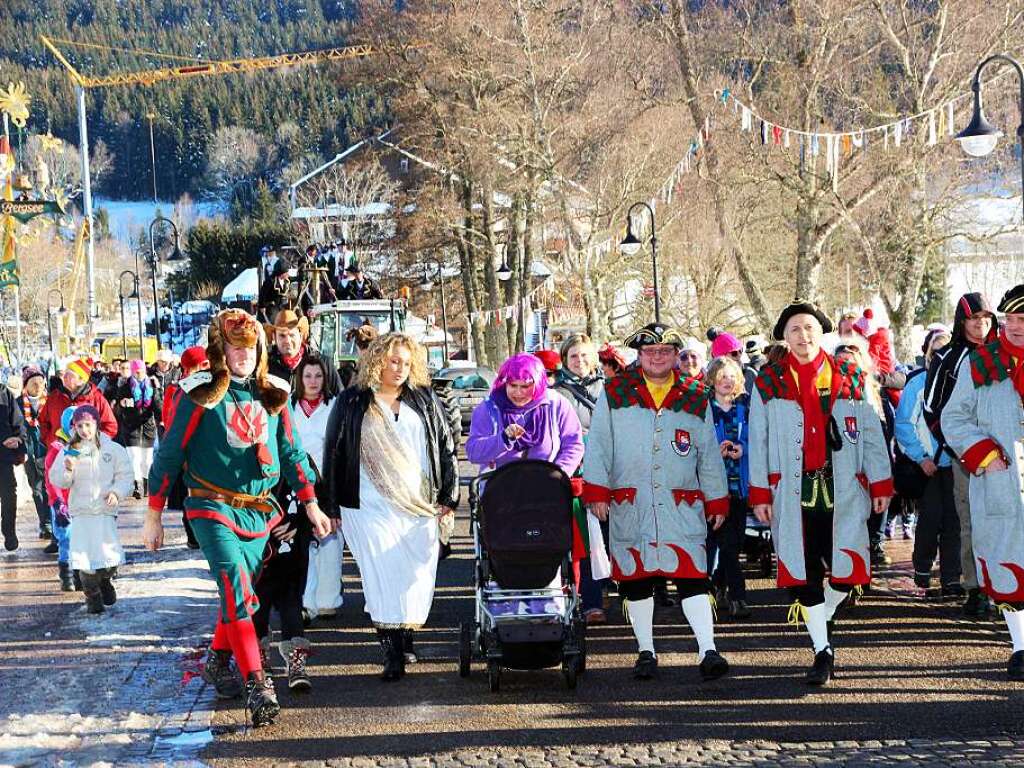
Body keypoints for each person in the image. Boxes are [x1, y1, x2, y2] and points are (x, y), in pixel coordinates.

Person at [144, 309, 331, 727]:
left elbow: (292, 453)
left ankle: (218, 658)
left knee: (239, 594)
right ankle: (257, 684)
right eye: (235, 347)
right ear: (220, 349)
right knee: (234, 584)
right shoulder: (198, 392)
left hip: (259, 510)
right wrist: (153, 512)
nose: (243, 355)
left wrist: (311, 503)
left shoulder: (276, 393)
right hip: (210, 506)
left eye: (250, 347)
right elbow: (170, 454)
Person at [748, 301, 893, 686]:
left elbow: (873, 435)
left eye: (809, 327)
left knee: (847, 574)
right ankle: (822, 650)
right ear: (785, 336)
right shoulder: (769, 381)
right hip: (792, 491)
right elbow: (757, 441)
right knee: (805, 574)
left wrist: (880, 481)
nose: (803, 336)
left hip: (843, 487)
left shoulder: (849, 376)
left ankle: (823, 616)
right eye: (795, 329)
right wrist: (759, 492)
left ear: (821, 332)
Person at [582, 322, 730, 681]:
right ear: (639, 355)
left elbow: (708, 452)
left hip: (681, 502)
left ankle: (707, 650)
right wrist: (597, 490)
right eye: (650, 352)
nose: (658, 357)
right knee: (636, 578)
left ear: (675, 355)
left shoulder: (695, 394)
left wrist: (717, 499)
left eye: (665, 351)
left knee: (693, 575)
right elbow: (599, 443)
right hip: (631, 500)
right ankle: (645, 651)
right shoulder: (615, 392)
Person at [325, 332, 458, 681]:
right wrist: (331, 505)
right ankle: (392, 653)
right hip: (367, 503)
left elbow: (445, 445)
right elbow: (334, 452)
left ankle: (405, 635)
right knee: (381, 573)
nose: (399, 369)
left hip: (417, 503)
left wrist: (449, 495)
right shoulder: (352, 401)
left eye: (406, 363)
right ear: (378, 361)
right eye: (393, 361)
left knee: (412, 577)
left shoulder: (425, 399)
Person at [941, 284, 1024, 680]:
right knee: (1009, 564)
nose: (1019, 327)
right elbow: (953, 418)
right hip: (1001, 480)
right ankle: (1021, 647)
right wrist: (983, 454)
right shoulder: (979, 363)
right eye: (1013, 319)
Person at [923, 292, 998, 618]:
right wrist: (960, 446)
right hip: (966, 457)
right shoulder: (948, 358)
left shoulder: (1005, 354)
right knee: (972, 523)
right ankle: (976, 587)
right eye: (973, 318)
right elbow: (931, 408)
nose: (980, 324)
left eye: (986, 318)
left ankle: (1007, 584)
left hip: (1010, 455)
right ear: (961, 321)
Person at [48, 405, 133, 614]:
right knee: (83, 559)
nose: (84, 430)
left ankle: (105, 580)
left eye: (88, 425)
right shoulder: (70, 450)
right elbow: (57, 479)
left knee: (109, 556)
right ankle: (92, 597)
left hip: (104, 512)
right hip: (81, 513)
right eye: (79, 426)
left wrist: (116, 492)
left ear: (96, 424)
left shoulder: (112, 449)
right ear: (74, 427)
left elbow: (125, 476)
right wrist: (68, 469)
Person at [894, 327, 960, 597]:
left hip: (958, 464)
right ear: (928, 354)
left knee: (954, 522)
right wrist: (921, 458)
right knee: (930, 519)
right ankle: (922, 570)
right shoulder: (917, 384)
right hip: (930, 466)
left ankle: (951, 579)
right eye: (937, 351)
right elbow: (904, 425)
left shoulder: (960, 380)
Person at [551, 334, 608, 624]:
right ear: (564, 360)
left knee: (606, 540)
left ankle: (607, 591)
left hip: (607, 473)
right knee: (581, 540)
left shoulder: (608, 390)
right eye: (574, 356)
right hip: (572, 475)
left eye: (585, 355)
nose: (580, 361)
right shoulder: (555, 393)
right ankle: (586, 601)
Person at [466, 353, 584, 477]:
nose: (518, 392)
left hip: (546, 487)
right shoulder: (489, 408)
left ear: (538, 384)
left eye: (525, 386)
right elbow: (474, 452)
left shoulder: (556, 404)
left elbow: (573, 445)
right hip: (500, 488)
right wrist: (503, 439)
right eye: (513, 385)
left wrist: (559, 473)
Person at [293, 357, 344, 625]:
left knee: (331, 541)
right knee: (305, 543)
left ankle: (328, 600)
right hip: (299, 484)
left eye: (318, 376)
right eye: (308, 376)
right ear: (300, 379)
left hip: (329, 483)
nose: (313, 382)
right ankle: (306, 602)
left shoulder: (335, 407)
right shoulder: (290, 409)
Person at [705, 355, 751, 620]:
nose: (727, 381)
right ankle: (738, 596)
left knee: (734, 544)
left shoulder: (744, 408)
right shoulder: (704, 409)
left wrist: (743, 449)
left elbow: (756, 438)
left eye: (731, 376)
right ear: (712, 379)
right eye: (722, 376)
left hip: (738, 486)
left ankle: (717, 586)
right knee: (722, 543)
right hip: (713, 488)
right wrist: (715, 451)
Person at [163, 346, 209, 549]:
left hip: (207, 451)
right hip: (187, 453)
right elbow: (169, 422)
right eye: (203, 365)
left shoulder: (212, 385)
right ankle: (193, 534)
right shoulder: (176, 390)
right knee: (190, 493)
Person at [39, 358, 118, 448]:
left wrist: (94, 443)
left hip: (87, 455)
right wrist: (50, 440)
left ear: (81, 380)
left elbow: (110, 426)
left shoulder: (96, 398)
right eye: (65, 373)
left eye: (70, 375)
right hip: (58, 453)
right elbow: (43, 421)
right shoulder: (54, 397)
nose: (64, 376)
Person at [113, 360, 161, 499]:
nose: (139, 374)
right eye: (136, 371)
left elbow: (158, 408)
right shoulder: (125, 387)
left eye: (141, 371)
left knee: (147, 460)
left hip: (148, 427)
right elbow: (117, 410)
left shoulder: (151, 386)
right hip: (131, 427)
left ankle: (146, 485)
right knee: (134, 458)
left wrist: (157, 390)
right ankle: (137, 486)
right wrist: (122, 405)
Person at [265, 309, 343, 394]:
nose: (287, 340)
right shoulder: (266, 366)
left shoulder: (323, 364)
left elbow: (340, 401)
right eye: (282, 335)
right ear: (274, 337)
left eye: (292, 335)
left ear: (300, 336)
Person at [44, 406, 78, 591]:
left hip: (80, 501)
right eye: (74, 425)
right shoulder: (57, 449)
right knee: (66, 537)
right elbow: (52, 479)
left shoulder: (84, 449)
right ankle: (66, 575)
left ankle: (80, 574)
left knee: (80, 537)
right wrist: (58, 503)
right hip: (61, 503)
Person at [18, 366, 53, 543]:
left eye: (41, 382)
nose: (38, 386)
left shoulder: (51, 402)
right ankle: (45, 523)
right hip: (29, 452)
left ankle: (55, 522)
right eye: (34, 383)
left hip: (49, 450)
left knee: (51, 487)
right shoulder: (17, 404)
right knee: (37, 489)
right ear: (26, 386)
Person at [0, 374, 28, 551]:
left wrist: (19, 440)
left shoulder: (3, 392)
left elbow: (18, 423)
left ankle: (9, 532)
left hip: (3, 456)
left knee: (9, 495)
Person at [258, 258, 292, 323]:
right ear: (282, 273)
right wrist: (262, 306)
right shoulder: (270, 281)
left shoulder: (286, 280)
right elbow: (262, 294)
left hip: (280, 307)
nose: (288, 274)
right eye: (286, 272)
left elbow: (296, 279)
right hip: (270, 308)